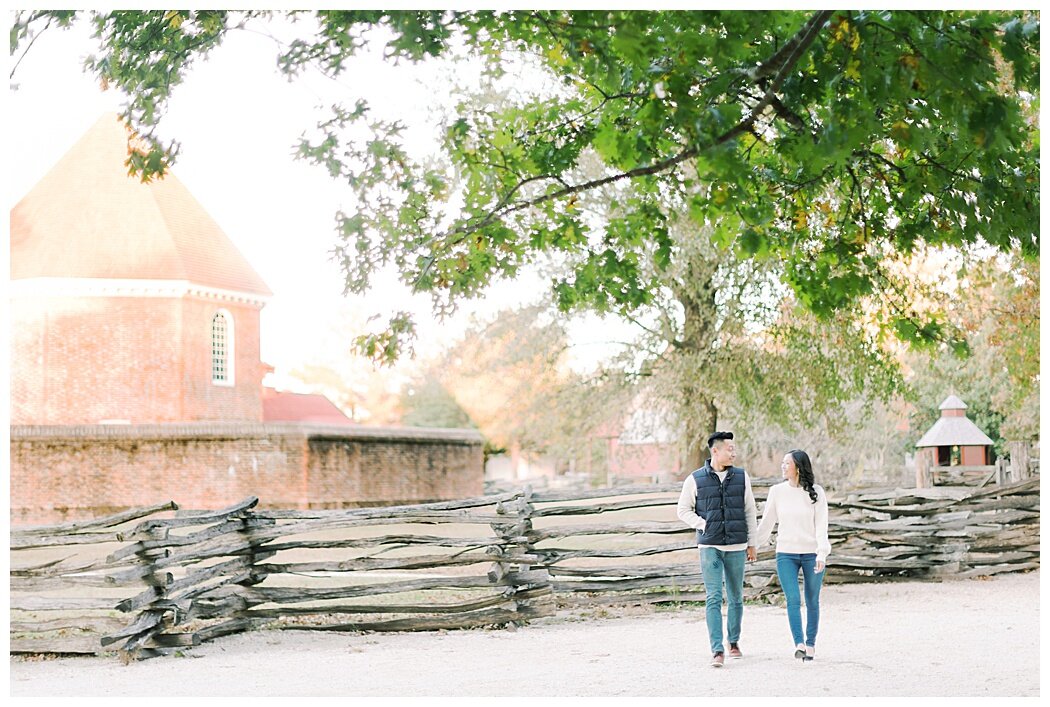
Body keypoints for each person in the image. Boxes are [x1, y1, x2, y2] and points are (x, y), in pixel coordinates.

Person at [677, 431, 758, 668]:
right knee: (713, 597)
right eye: (729, 449)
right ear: (715, 451)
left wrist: (752, 543)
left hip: (736, 546)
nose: (734, 452)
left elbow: (749, 511)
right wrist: (703, 524)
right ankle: (717, 649)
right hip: (709, 546)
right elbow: (683, 510)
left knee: (736, 597)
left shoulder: (742, 477)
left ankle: (733, 642)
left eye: (734, 448)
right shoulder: (695, 479)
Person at [754, 449, 831, 662]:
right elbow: (766, 524)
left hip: (812, 554)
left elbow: (821, 527)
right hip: (786, 554)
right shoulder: (776, 491)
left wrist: (822, 554)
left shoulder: (817, 493)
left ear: (797, 466)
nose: (782, 466)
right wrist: (753, 545)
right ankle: (799, 643)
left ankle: (811, 644)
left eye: (786, 463)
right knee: (793, 599)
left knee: (812, 599)